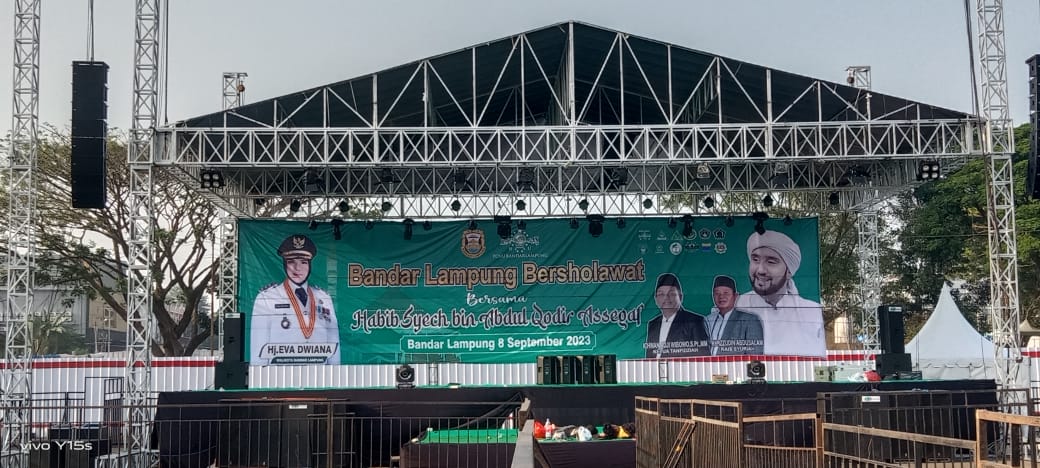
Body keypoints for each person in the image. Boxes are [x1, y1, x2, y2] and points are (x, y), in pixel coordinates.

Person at [250, 234, 341, 365]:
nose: (297, 268)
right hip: (280, 377)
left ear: (310, 265)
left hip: (319, 376)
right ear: (284, 264)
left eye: (303, 262)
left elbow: (333, 341)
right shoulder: (267, 297)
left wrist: (335, 376)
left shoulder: (323, 297)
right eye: (291, 262)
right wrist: (260, 380)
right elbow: (258, 346)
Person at [734, 230, 825, 356]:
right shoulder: (736, 306)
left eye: (771, 262)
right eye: (755, 259)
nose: (760, 270)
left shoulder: (811, 311)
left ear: (789, 272)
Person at [644, 273, 710, 358]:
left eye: (671, 294)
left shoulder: (695, 321)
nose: (666, 298)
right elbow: (650, 355)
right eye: (661, 294)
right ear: (656, 299)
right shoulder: (653, 324)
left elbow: (703, 354)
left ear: (681, 297)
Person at [705, 275, 764, 355]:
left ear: (735, 296)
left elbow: (755, 355)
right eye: (717, 293)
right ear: (713, 296)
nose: (721, 296)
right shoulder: (708, 320)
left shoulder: (749, 320)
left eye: (726, 293)